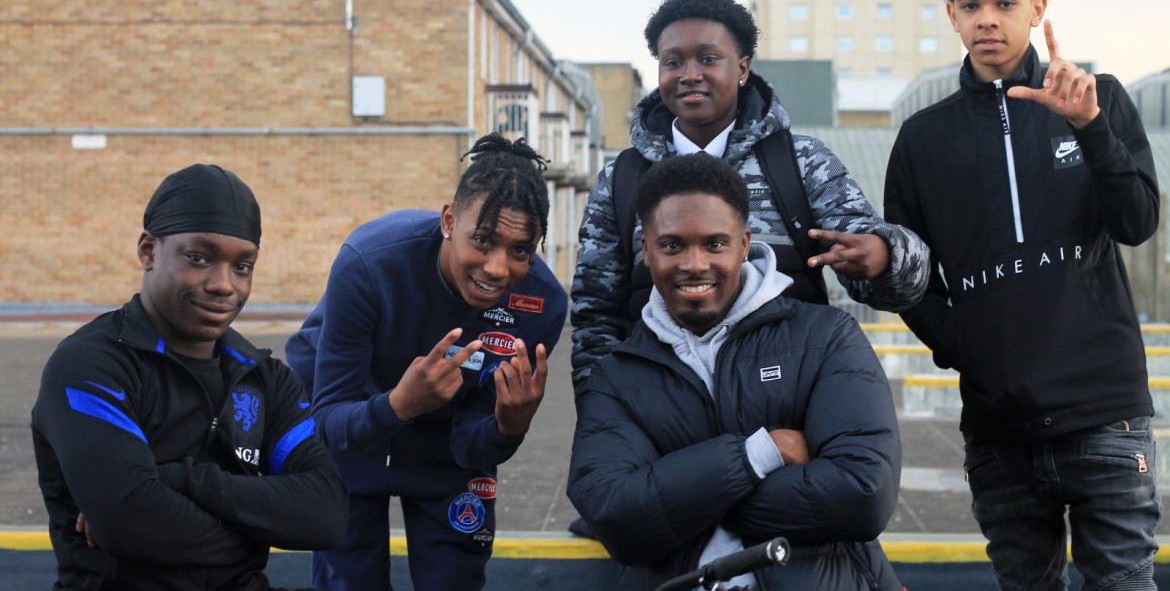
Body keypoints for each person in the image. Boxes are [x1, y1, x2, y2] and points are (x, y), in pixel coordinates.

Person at [884, 0, 1162, 588]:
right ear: (952, 14)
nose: (987, 18)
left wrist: (1091, 130)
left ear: (1038, 8)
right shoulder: (923, 139)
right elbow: (906, 273)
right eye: (970, 4)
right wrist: (958, 340)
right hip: (998, 429)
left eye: (1004, 2)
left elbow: (1137, 223)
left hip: (1106, 416)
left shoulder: (1103, 99)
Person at [568, 152, 902, 590]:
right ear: (645, 250)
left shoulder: (826, 338)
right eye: (671, 245)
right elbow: (616, 519)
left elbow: (863, 493)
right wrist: (759, 454)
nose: (694, 264)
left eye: (714, 244)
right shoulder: (617, 375)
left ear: (744, 244)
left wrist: (684, 498)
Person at [569, 0, 930, 395]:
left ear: (742, 69)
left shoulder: (802, 161)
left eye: (708, 59)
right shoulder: (620, 178)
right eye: (673, 62)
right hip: (661, 410)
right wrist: (602, 411)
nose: (689, 74)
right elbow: (594, 313)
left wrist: (885, 256)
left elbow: (900, 283)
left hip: (788, 403)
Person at [31, 164, 347, 591]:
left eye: (242, 266)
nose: (223, 284)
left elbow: (325, 516)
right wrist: (257, 536)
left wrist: (173, 479)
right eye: (199, 258)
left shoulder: (264, 376)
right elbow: (130, 520)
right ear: (148, 251)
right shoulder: (91, 365)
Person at [285, 133, 568, 591]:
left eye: (521, 250)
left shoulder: (541, 303)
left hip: (443, 444)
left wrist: (507, 427)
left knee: (453, 578)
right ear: (449, 220)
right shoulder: (370, 262)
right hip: (354, 417)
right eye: (483, 240)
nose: (499, 268)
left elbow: (470, 447)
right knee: (348, 579)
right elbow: (330, 421)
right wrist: (399, 405)